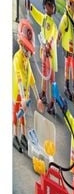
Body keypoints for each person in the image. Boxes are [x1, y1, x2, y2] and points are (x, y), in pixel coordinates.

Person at [12, 19, 44, 152]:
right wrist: (23, 98)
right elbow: (19, 78)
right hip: (17, 94)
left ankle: (24, 136)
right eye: (27, 49)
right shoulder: (17, 59)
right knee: (16, 114)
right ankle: (15, 135)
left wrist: (38, 98)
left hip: (24, 95)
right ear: (21, 44)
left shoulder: (27, 62)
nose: (28, 54)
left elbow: (32, 81)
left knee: (23, 116)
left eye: (30, 50)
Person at [30, 0, 58, 114]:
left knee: (52, 79)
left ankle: (53, 102)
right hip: (44, 54)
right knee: (44, 75)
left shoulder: (52, 24)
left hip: (50, 56)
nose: (50, 7)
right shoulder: (44, 18)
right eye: (48, 5)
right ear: (45, 5)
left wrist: (49, 44)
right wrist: (30, 7)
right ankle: (43, 93)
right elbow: (36, 14)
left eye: (51, 5)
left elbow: (54, 34)